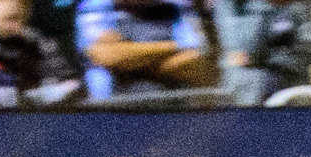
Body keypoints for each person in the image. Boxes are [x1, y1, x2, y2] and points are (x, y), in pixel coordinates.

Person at [74, 0, 210, 98]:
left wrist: (129, 64)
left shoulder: (174, 6)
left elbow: (194, 59)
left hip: (172, 111)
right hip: (110, 113)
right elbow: (103, 56)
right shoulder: (94, 6)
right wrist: (172, 48)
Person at [212, 0, 311, 104]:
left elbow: (310, 55)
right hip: (241, 91)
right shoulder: (233, 5)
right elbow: (238, 53)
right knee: (250, 79)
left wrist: (257, 59)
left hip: (289, 88)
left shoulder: (299, 8)